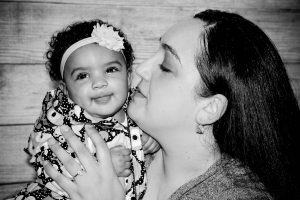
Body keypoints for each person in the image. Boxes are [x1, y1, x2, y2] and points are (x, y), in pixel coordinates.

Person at [42, 9, 300, 200]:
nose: (141, 69)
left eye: (166, 66)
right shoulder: (130, 146)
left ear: (209, 108)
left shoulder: (237, 196)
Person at [8, 19, 160, 200]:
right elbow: (48, 168)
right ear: (66, 90)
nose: (99, 83)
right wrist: (102, 165)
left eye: (111, 69)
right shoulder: (62, 121)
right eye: (83, 76)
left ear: (128, 77)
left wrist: (153, 140)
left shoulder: (139, 108)